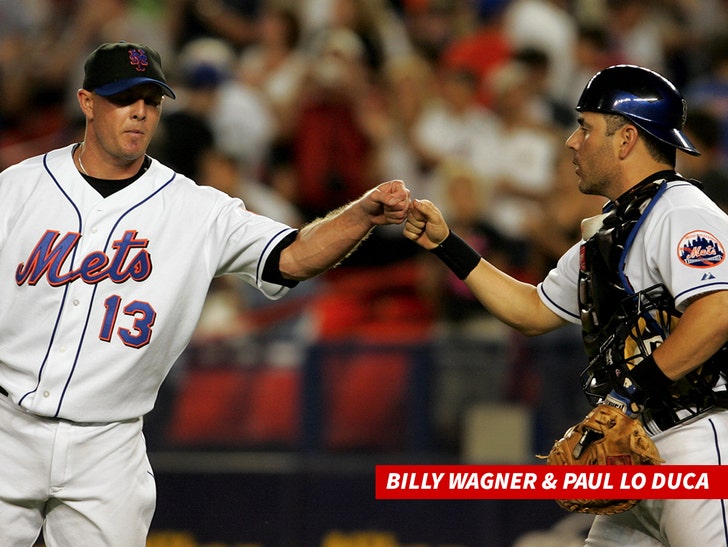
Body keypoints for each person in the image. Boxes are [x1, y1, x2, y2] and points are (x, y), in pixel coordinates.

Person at [0, 41, 410, 546]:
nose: (140, 112)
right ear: (87, 103)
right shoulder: (17, 189)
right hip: (6, 427)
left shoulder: (197, 210)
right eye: (124, 97)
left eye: (151, 100)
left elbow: (293, 256)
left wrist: (359, 216)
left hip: (108, 445)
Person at [404, 64, 728, 546]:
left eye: (585, 127)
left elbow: (718, 313)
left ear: (625, 140)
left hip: (697, 440)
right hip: (634, 447)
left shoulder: (681, 211)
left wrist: (627, 396)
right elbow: (533, 311)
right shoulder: (612, 228)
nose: (572, 142)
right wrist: (448, 244)